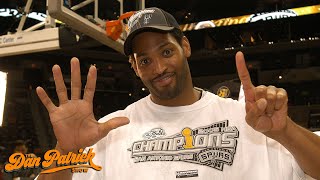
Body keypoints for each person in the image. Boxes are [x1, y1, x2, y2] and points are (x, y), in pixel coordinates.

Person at [35, 7, 320, 180]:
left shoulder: (248, 120)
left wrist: (286, 132)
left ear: (185, 46)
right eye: (144, 60)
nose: (158, 68)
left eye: (166, 51)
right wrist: (65, 149)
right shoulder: (111, 131)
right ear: (134, 67)